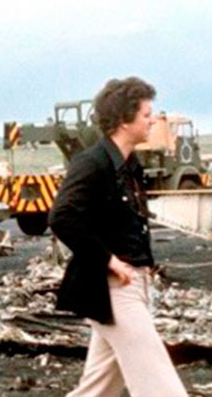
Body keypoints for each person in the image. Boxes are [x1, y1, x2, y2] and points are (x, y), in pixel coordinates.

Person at [49, 77, 188, 397]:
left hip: (131, 284)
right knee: (161, 387)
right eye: (146, 114)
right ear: (125, 120)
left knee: (97, 390)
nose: (153, 120)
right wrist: (109, 261)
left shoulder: (129, 165)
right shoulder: (92, 163)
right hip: (113, 288)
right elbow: (61, 217)